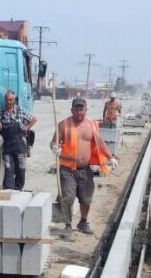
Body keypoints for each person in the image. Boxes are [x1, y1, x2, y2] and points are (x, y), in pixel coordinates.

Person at [50, 97, 118, 236]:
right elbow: (53, 142)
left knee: (86, 198)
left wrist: (110, 157)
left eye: (82, 109)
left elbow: (100, 142)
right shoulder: (64, 124)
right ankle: (68, 225)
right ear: (72, 110)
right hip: (67, 169)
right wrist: (55, 148)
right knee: (68, 197)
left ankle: (83, 222)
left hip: (84, 169)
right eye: (76, 109)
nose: (79, 112)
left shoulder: (92, 125)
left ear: (86, 109)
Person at [0, 91, 38, 190]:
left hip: (20, 146)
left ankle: (18, 189)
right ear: (5, 100)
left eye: (11, 100)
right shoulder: (0, 110)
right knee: (8, 169)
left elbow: (34, 119)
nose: (9, 102)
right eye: (7, 99)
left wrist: (27, 127)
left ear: (14, 100)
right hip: (7, 146)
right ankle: (9, 190)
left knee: (21, 169)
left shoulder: (20, 110)